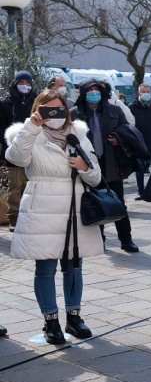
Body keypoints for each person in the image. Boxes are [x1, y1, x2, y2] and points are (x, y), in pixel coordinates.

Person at [4, 88, 102, 344]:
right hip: (42, 207)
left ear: (66, 110)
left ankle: (74, 317)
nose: (55, 115)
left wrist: (84, 167)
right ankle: (50, 322)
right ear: (38, 109)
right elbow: (15, 158)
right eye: (48, 110)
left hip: (74, 207)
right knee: (45, 268)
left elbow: (96, 176)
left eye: (59, 109)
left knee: (74, 267)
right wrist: (31, 126)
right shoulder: (27, 134)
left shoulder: (78, 134)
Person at [71, 79, 139, 253]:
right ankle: (98, 239)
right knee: (92, 202)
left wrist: (118, 138)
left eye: (97, 90)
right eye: (90, 90)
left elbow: (127, 130)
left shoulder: (114, 110)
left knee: (117, 201)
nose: (94, 93)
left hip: (111, 163)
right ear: (84, 93)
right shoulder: (74, 114)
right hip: (87, 164)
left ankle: (126, 239)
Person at [0, 71, 37, 230]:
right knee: (14, 186)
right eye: (22, 82)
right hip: (11, 152)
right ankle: (13, 218)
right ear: (15, 84)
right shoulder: (4, 104)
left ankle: (31, 216)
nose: (25, 86)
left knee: (32, 186)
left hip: (33, 152)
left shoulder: (36, 103)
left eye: (28, 83)